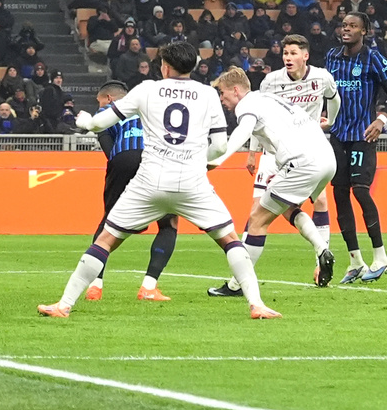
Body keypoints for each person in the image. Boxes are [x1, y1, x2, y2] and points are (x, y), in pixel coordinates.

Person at [37, 42, 280, 320]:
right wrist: (201, 160)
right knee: (230, 241)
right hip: (192, 181)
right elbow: (219, 146)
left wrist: (84, 121)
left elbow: (99, 124)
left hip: (150, 180)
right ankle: (256, 304)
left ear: (165, 66)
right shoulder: (208, 94)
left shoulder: (146, 90)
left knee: (105, 240)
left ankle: (64, 305)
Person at [213, 34, 340, 296]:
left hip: (301, 160)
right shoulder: (271, 97)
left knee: (257, 219)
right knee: (287, 207)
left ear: (235, 90)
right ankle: (321, 249)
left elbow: (241, 132)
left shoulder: (247, 105)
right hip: (325, 156)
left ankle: (238, 285)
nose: (222, 99)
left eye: (222, 93)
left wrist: (216, 160)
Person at [83, 80, 177, 302]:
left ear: (109, 99)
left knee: (109, 223)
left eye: (99, 101)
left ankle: (95, 286)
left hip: (123, 160)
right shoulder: (150, 105)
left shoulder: (106, 112)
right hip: (155, 161)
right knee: (168, 224)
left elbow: (109, 151)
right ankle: (149, 287)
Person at [325, 12, 387, 283]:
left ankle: (380, 256)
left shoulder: (373, 58)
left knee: (360, 190)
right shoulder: (331, 57)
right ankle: (355, 260)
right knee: (340, 194)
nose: (346, 29)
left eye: (353, 26)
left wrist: (381, 120)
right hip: (337, 135)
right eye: (344, 25)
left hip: (363, 135)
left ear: (364, 31)